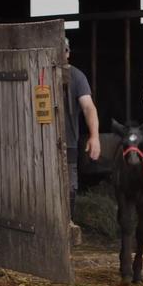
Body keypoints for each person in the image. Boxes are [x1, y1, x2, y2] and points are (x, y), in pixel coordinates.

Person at [64, 37, 101, 219]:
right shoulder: (38, 73)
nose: (60, 54)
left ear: (68, 53)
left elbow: (88, 107)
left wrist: (94, 137)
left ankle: (67, 228)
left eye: (63, 50)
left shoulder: (77, 77)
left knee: (69, 188)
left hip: (68, 143)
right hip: (38, 144)